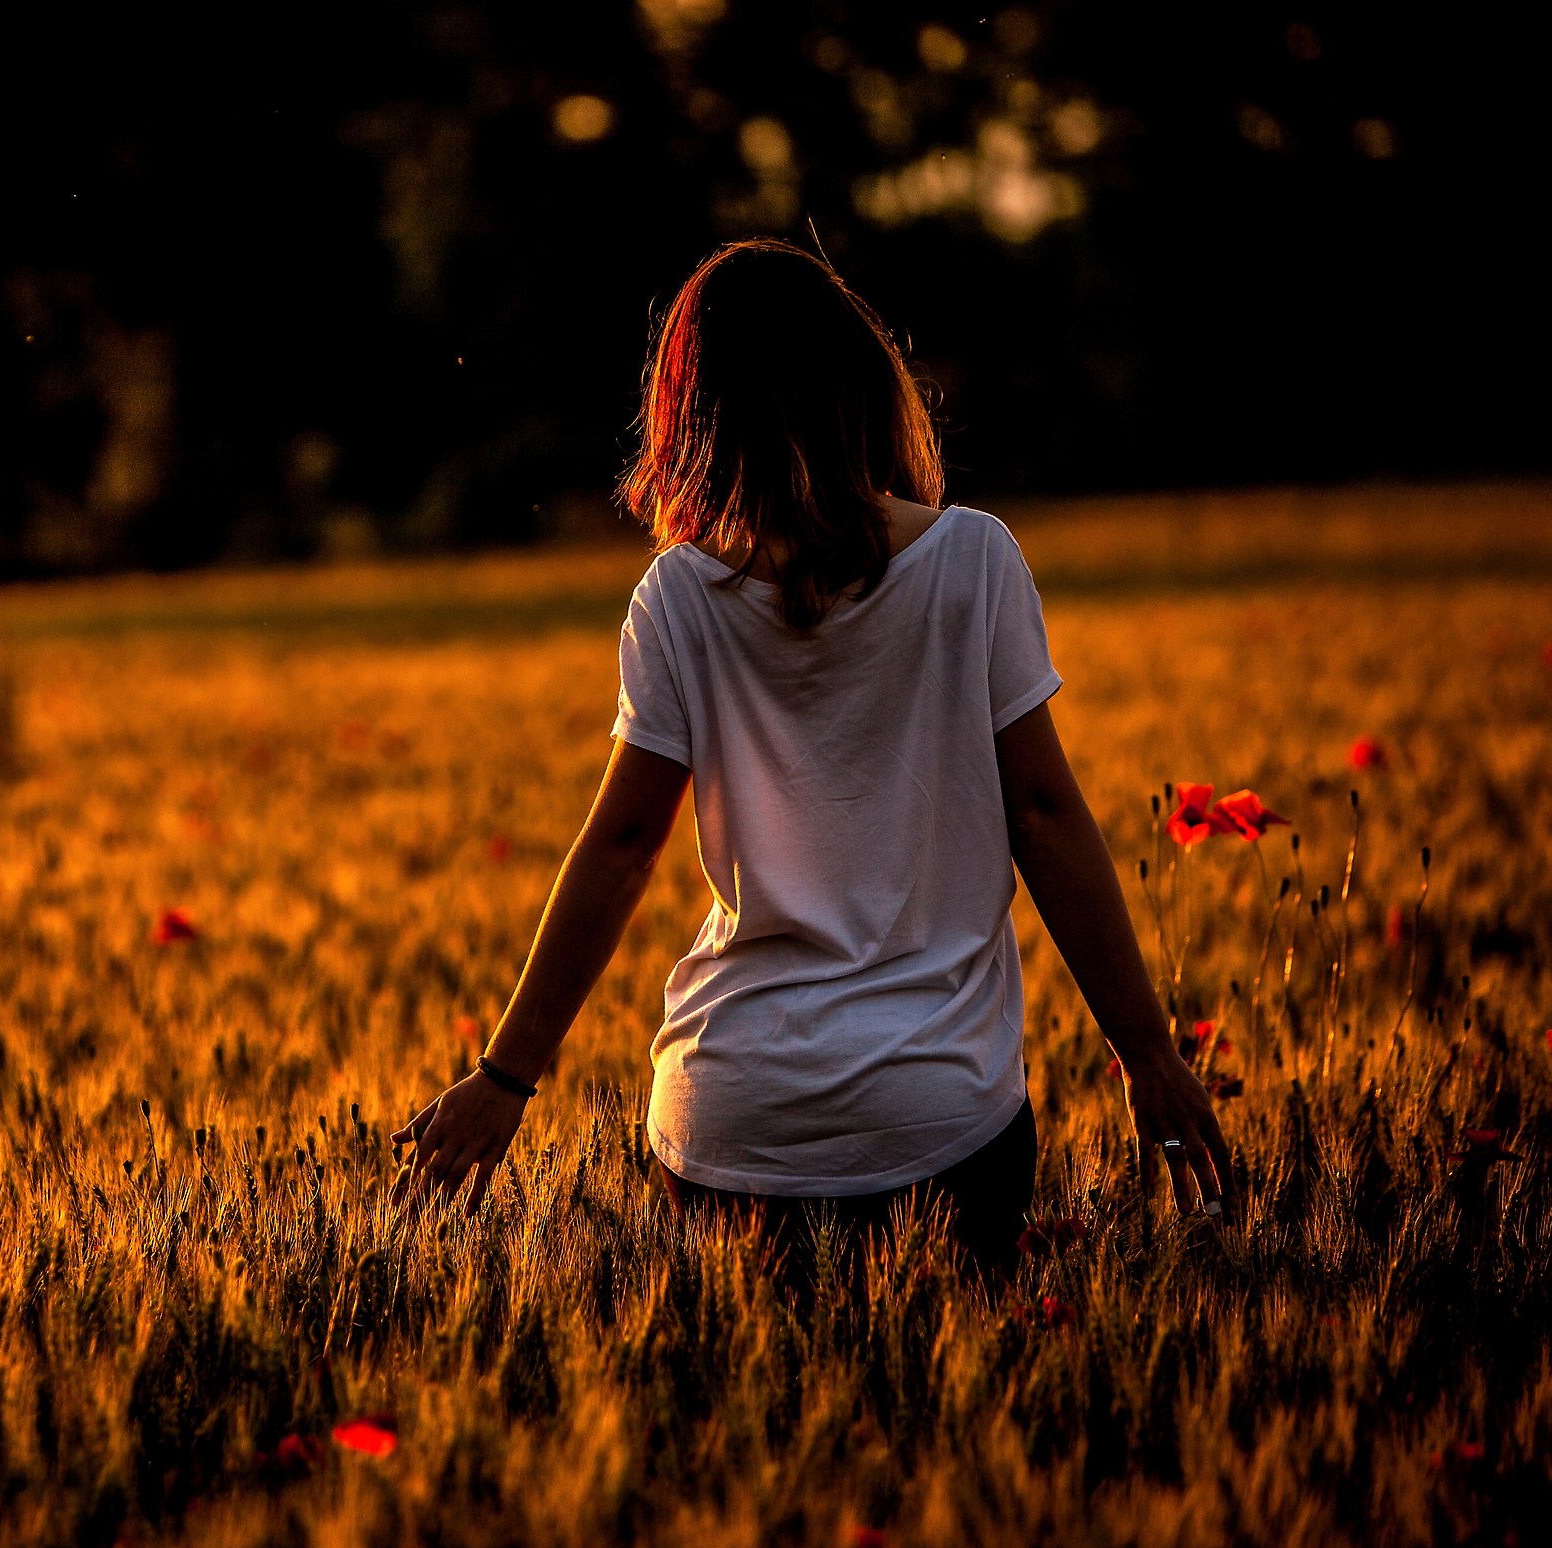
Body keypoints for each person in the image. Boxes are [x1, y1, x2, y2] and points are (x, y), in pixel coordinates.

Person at [392, 240, 1229, 1273]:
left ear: (693, 420)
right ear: (865, 383)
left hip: (728, 1134)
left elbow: (618, 849)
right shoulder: (975, 561)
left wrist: (506, 1079)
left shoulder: (679, 598)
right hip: (942, 1133)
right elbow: (1048, 819)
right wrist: (1149, 1054)